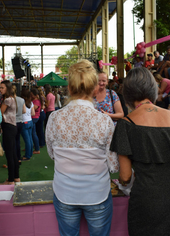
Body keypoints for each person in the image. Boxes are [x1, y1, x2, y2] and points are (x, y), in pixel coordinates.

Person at [109, 67, 170, 236]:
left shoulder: (126, 124)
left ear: (127, 93)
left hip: (150, 199)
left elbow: (125, 177)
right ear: (153, 89)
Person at [46, 59, 119, 236]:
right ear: (95, 88)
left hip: (65, 192)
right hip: (97, 193)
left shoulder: (55, 118)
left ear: (69, 88)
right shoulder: (104, 120)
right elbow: (114, 165)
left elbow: (52, 154)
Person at [0, 80, 19, 185]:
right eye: (0, 87)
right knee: (13, 154)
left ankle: (10, 180)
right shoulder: (12, 99)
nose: (0, 89)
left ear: (7, 88)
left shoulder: (7, 100)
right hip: (12, 127)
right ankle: (16, 177)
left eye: (2, 87)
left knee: (10, 155)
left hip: (8, 127)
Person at [21, 89, 35, 161]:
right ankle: (30, 154)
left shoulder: (22, 102)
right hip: (30, 121)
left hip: (24, 122)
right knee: (30, 139)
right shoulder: (31, 103)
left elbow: (23, 111)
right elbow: (33, 113)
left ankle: (27, 156)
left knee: (27, 140)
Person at [30, 88, 41, 155]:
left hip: (34, 117)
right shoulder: (34, 100)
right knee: (32, 134)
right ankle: (34, 147)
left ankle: (37, 148)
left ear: (36, 95)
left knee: (33, 134)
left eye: (32, 95)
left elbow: (32, 109)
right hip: (33, 117)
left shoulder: (36, 101)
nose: (31, 96)